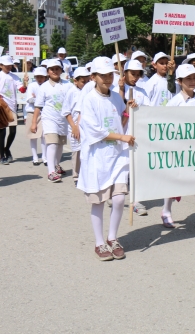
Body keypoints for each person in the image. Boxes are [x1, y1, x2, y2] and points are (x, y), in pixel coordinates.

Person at [77, 57, 134, 261]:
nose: (108, 79)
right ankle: (99, 242)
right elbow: (95, 130)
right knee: (99, 201)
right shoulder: (89, 100)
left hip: (117, 155)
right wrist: (121, 137)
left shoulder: (116, 98)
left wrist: (129, 111)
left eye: (111, 74)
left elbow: (121, 120)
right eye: (103, 75)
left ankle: (113, 238)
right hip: (97, 157)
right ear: (93, 77)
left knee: (119, 198)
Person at [159, 64, 195, 236]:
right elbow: (165, 128)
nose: (192, 81)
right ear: (179, 81)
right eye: (188, 79)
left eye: (194, 78)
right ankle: (166, 210)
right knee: (174, 185)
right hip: (179, 152)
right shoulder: (173, 103)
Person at [113, 59, 149, 216]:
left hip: (138, 135)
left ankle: (135, 200)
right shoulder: (116, 90)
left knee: (136, 169)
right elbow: (117, 115)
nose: (135, 77)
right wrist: (125, 102)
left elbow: (149, 111)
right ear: (124, 73)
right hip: (123, 135)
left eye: (138, 74)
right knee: (122, 168)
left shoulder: (143, 91)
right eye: (132, 74)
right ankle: (114, 192)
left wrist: (138, 108)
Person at [32, 59, 69, 182]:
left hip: (63, 119)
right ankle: (51, 172)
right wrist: (33, 123)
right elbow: (38, 106)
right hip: (49, 119)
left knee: (60, 144)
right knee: (52, 143)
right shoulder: (44, 87)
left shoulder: (68, 85)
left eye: (57, 69)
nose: (55, 71)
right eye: (52, 69)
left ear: (61, 70)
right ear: (48, 72)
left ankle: (57, 165)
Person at [0, 55, 27, 165]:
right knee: (2, 132)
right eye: (6, 65)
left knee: (13, 131)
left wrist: (25, 83)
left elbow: (22, 90)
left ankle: (7, 148)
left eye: (10, 65)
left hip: (12, 107)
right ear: (0, 65)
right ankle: (2, 156)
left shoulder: (14, 77)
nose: (9, 67)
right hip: (1, 108)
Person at [63, 67, 91, 185]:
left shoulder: (91, 91)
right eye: (83, 82)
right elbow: (66, 111)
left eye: (87, 81)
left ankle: (87, 174)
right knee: (77, 151)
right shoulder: (72, 92)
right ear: (75, 81)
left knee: (88, 151)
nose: (85, 84)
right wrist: (74, 127)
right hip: (75, 126)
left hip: (87, 126)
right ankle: (76, 175)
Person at [25, 67, 47, 165]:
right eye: (38, 77)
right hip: (32, 112)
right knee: (33, 135)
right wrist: (40, 100)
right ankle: (35, 157)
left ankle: (44, 156)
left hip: (43, 113)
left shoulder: (47, 86)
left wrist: (36, 98)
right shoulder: (32, 85)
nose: (39, 78)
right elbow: (29, 99)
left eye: (41, 77)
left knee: (43, 136)